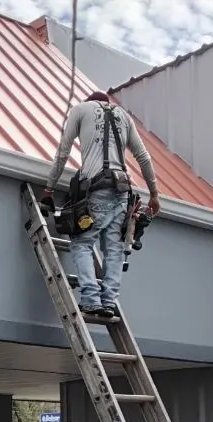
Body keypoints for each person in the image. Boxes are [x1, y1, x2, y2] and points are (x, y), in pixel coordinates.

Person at [42, 91, 160, 318]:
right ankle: (108, 302)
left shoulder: (80, 110)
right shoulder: (124, 117)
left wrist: (49, 187)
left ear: (91, 102)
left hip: (96, 189)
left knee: (82, 243)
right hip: (123, 190)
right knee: (114, 250)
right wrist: (154, 194)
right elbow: (144, 157)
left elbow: (63, 152)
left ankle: (90, 299)